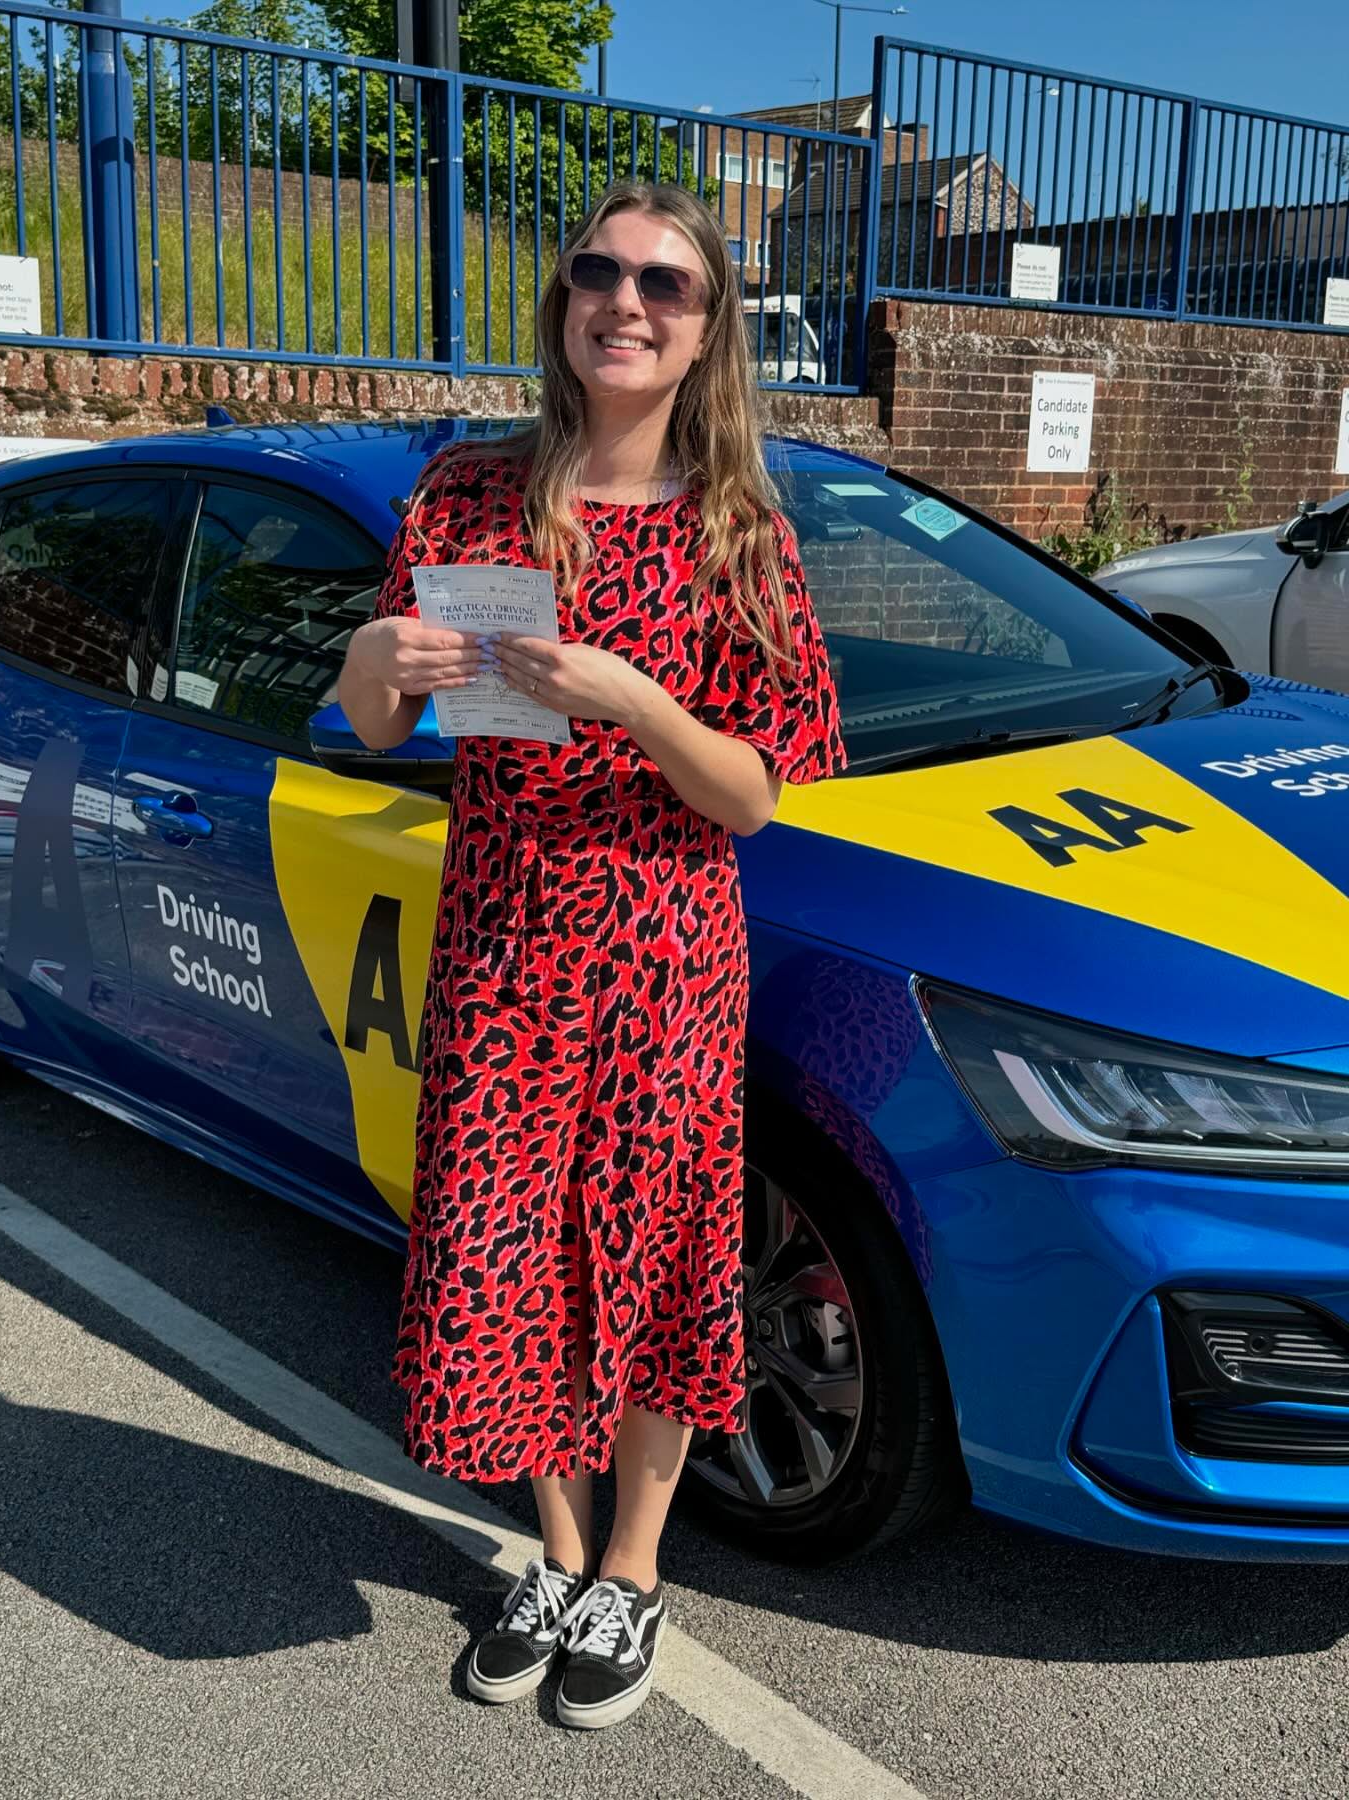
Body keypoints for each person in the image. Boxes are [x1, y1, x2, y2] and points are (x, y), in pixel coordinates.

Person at [337, 179, 848, 1731]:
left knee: (655, 1258)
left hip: (663, 947)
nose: (625, 302)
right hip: (500, 936)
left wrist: (629, 694)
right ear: (563, 305)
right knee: (511, 1258)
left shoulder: (739, 532)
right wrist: (377, 658)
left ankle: (633, 1570)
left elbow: (759, 792)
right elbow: (380, 723)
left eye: (665, 287)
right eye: (597, 273)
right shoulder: (468, 500)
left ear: (706, 338)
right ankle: (553, 1551)